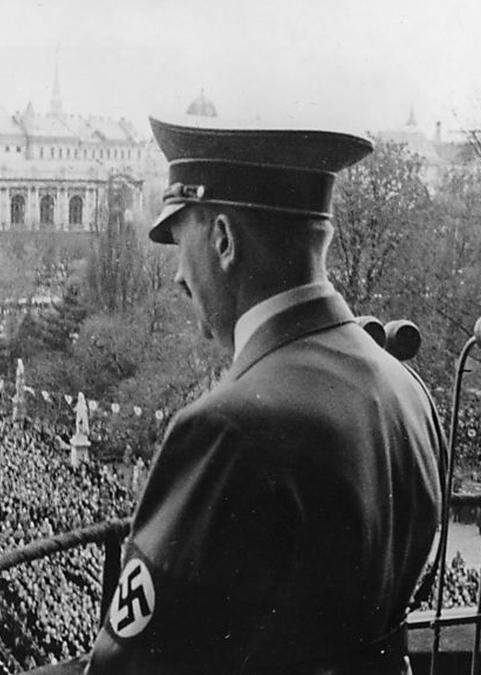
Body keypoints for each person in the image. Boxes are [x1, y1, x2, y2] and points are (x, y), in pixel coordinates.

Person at [86, 116, 442, 674]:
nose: (179, 277)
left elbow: (132, 666)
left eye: (182, 243)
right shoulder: (408, 392)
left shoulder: (228, 426)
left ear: (224, 241)